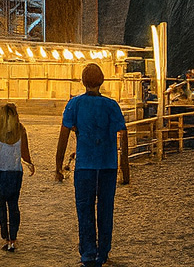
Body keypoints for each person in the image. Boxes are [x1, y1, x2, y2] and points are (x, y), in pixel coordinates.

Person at [56, 63, 131, 267]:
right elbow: (123, 135)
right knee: (106, 209)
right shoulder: (111, 105)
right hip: (107, 164)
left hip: (85, 165)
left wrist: (58, 164)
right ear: (102, 81)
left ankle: (88, 253)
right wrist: (125, 166)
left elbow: (63, 135)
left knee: (85, 209)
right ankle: (103, 251)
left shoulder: (74, 104)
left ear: (82, 81)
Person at [0, 102, 35, 252]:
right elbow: (25, 153)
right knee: (13, 205)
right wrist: (30, 164)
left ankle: (4, 234)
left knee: (1, 204)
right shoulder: (21, 130)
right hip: (15, 173)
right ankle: (13, 238)